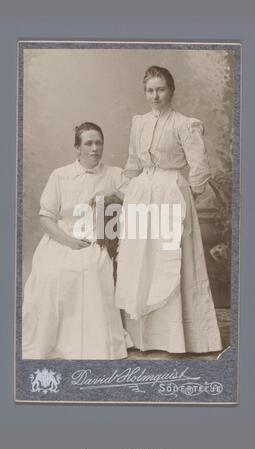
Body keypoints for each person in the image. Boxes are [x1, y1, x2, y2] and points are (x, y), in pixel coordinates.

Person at [115, 65, 223, 353]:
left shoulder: (185, 124)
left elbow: (200, 168)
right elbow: (132, 165)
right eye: (150, 90)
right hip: (141, 193)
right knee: (142, 261)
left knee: (171, 260)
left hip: (171, 192)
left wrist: (187, 195)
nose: (155, 95)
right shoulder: (138, 123)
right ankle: (142, 337)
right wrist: (125, 194)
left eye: (160, 89)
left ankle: (178, 339)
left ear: (171, 91)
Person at [22, 122, 131, 360]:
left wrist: (112, 193)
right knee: (53, 272)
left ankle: (93, 342)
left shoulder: (114, 174)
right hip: (63, 237)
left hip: (99, 239)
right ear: (77, 148)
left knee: (93, 269)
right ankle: (54, 339)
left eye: (99, 143)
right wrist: (68, 241)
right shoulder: (61, 175)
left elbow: (136, 200)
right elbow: (46, 217)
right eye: (88, 143)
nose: (95, 149)